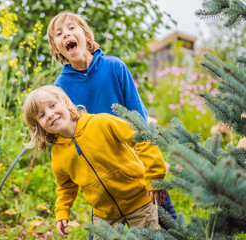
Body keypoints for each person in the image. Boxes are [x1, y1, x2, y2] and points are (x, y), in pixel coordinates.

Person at [46, 11, 178, 227]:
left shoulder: (114, 66)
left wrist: (150, 162)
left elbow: (137, 115)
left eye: (71, 28)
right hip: (102, 169)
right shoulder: (60, 87)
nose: (66, 34)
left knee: (167, 220)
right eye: (59, 34)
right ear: (56, 47)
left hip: (133, 156)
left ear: (86, 36)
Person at [23, 85, 167, 239]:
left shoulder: (101, 122)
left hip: (139, 202)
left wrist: (155, 175)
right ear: (38, 126)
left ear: (65, 102)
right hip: (104, 215)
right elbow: (66, 185)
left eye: (52, 105)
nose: (50, 114)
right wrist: (62, 211)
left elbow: (142, 138)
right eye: (42, 115)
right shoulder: (58, 154)